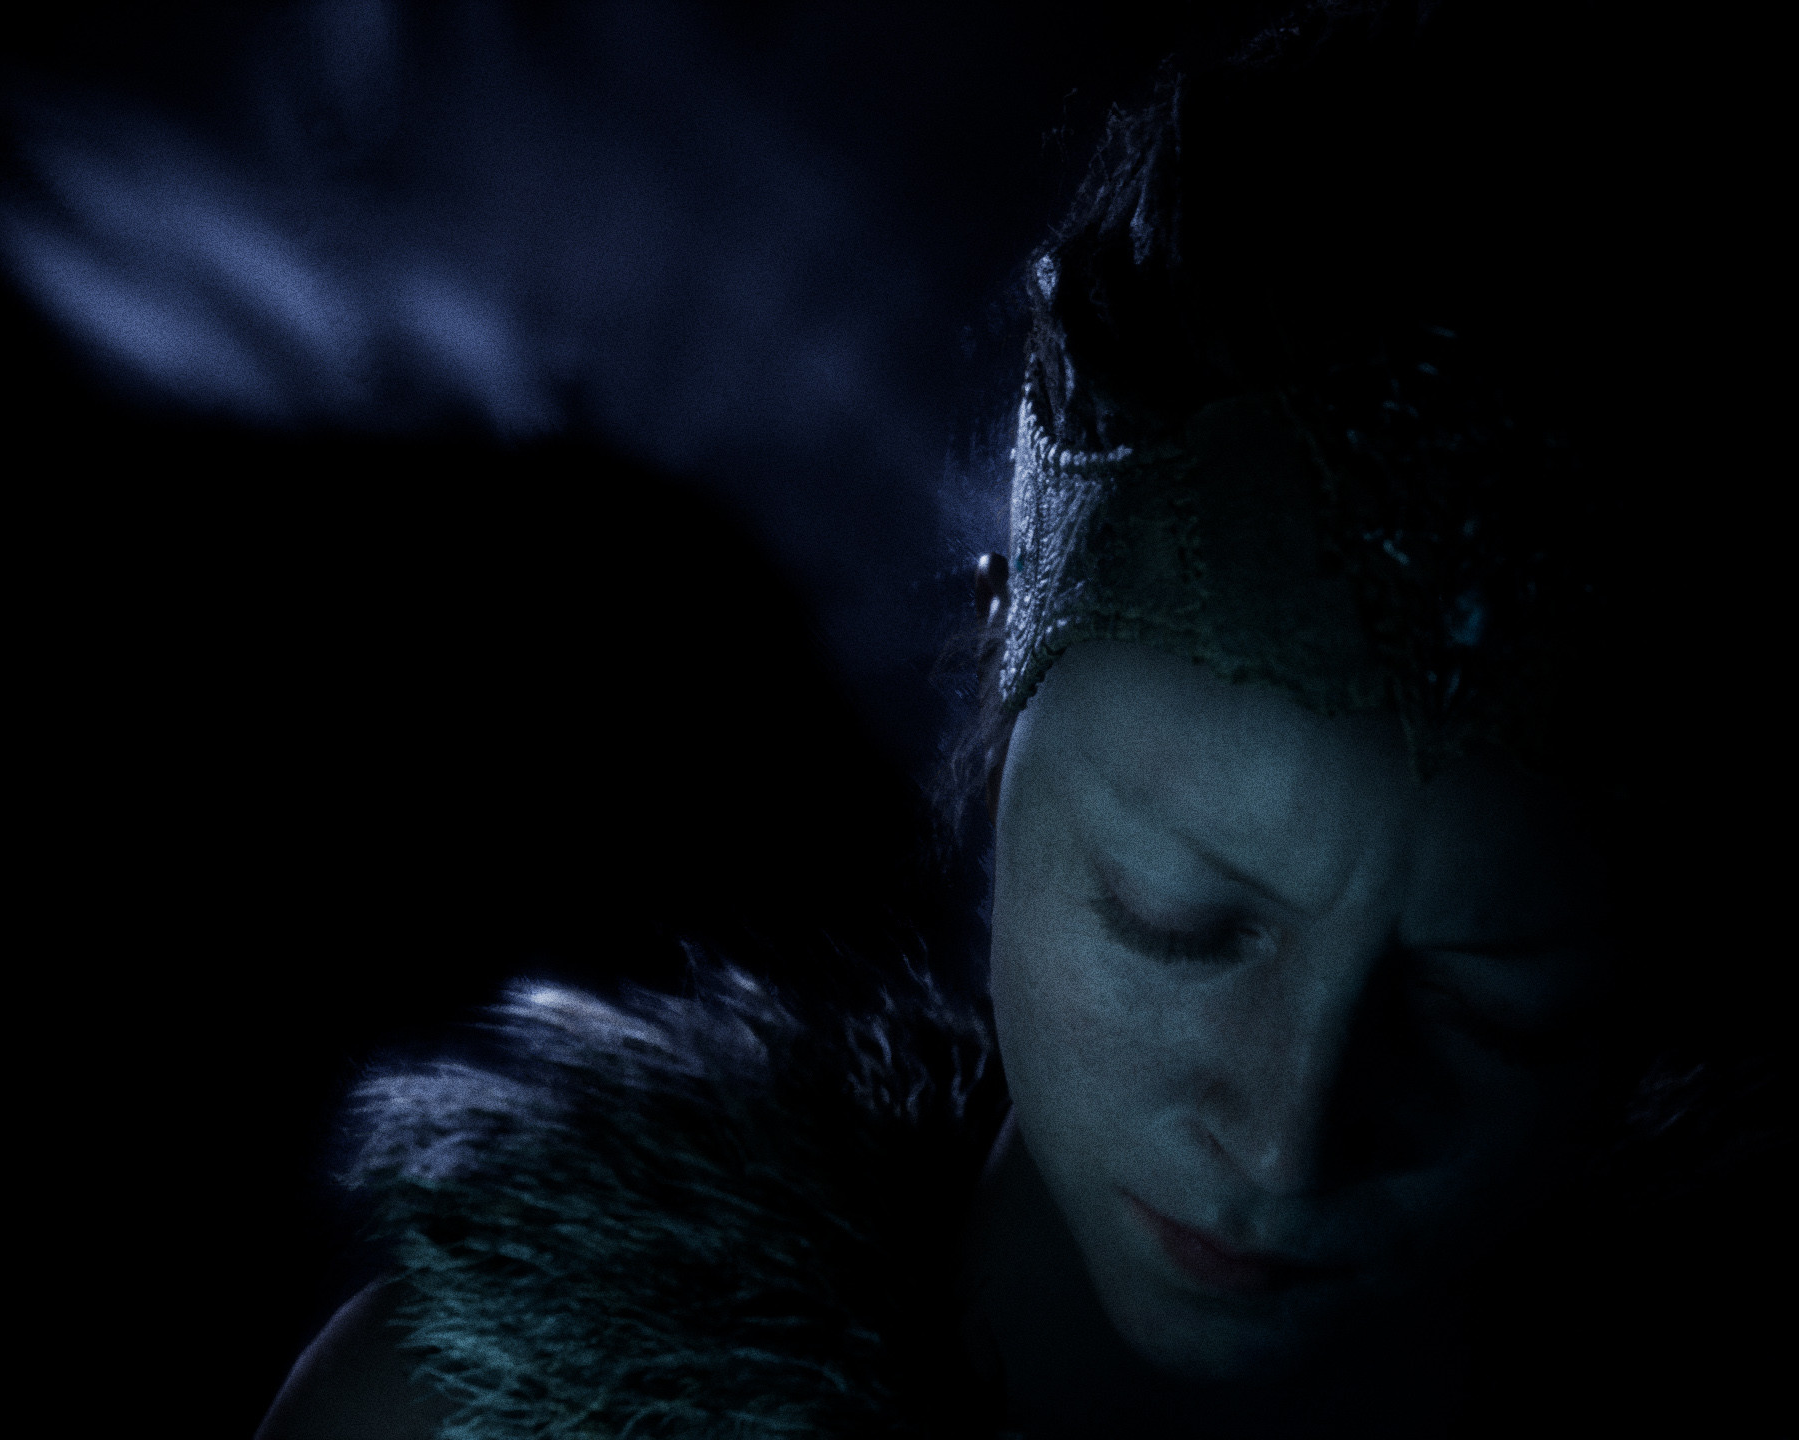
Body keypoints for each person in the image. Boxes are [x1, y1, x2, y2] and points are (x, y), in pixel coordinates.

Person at [256, 4, 1780, 1435]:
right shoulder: (478, 1414)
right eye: (1177, 922)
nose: (1287, 1140)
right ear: (997, 704)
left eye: (1491, 1013)